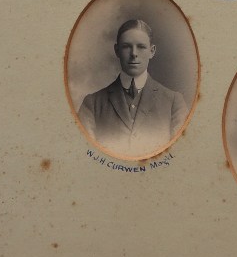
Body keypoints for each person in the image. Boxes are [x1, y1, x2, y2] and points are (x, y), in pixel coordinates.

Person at [78, 17, 187, 157]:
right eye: (126, 46)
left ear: (152, 51)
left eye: (141, 47)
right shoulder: (92, 104)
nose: (134, 53)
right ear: (117, 50)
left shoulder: (174, 103)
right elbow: (86, 156)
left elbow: (180, 156)